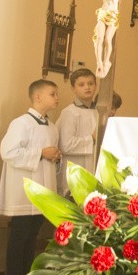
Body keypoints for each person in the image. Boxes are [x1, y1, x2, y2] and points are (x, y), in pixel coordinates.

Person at [0, 79, 61, 275]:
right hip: (23, 192)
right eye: (52, 94)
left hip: (42, 192)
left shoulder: (52, 127)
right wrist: (41, 153)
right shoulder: (20, 123)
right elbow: (8, 152)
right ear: (38, 97)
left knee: (32, 237)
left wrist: (54, 156)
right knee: (19, 238)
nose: (57, 98)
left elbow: (48, 154)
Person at [56, 68, 98, 196]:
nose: (87, 87)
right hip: (74, 168)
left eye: (91, 83)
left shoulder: (98, 112)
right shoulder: (70, 112)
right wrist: (92, 139)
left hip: (94, 167)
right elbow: (66, 145)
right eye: (81, 84)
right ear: (73, 88)